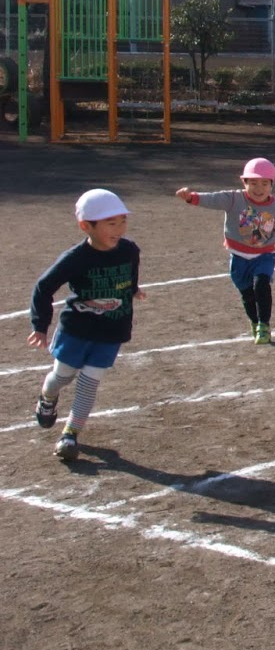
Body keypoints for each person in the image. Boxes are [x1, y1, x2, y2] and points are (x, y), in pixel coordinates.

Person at [28, 190, 146, 463]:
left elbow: (130, 272)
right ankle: (47, 397)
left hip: (112, 331)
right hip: (76, 330)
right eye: (111, 223)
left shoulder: (129, 250)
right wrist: (40, 325)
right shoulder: (76, 258)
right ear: (86, 226)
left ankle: (70, 434)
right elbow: (43, 287)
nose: (119, 229)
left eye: (122, 221)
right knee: (63, 376)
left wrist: (133, 289)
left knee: (90, 382)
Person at [175, 157, 275, 344]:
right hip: (239, 257)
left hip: (264, 255)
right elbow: (212, 199)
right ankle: (254, 321)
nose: (259, 188)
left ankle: (264, 325)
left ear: (272, 184)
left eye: (264, 183)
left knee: (261, 284)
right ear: (244, 182)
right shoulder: (234, 199)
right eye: (253, 183)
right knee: (247, 294)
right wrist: (191, 197)